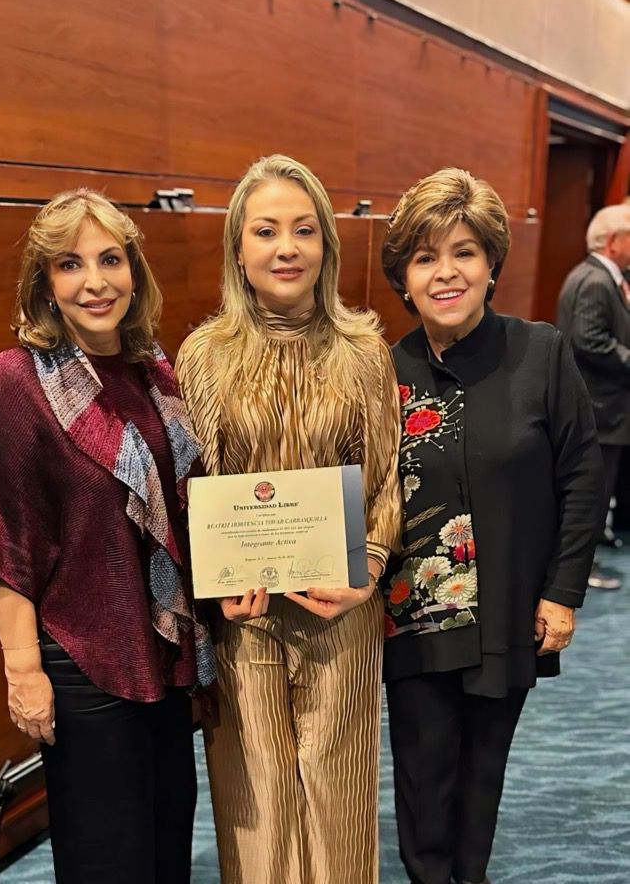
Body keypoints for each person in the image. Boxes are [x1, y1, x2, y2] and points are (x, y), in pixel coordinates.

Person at [0, 189, 215, 884]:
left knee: (166, 843)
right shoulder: (18, 380)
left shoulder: (154, 371)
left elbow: (187, 506)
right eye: (70, 264)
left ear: (134, 270)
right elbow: (6, 538)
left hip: (162, 657)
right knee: (106, 860)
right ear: (44, 283)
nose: (95, 281)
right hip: (83, 664)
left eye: (110, 259)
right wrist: (23, 673)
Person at [176, 155, 402, 884]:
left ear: (326, 247)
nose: (286, 247)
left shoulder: (364, 351)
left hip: (341, 611)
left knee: (337, 792)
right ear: (238, 251)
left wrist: (366, 571)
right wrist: (215, 584)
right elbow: (194, 488)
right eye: (266, 230)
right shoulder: (203, 357)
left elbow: (386, 477)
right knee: (257, 794)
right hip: (243, 616)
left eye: (304, 230)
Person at [380, 168, 604, 884]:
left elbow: (583, 477)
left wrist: (563, 593)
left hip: (509, 609)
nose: (446, 272)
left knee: (482, 777)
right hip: (412, 618)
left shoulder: (541, 353)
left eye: (465, 252)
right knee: (422, 780)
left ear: (491, 265)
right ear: (405, 279)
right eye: (425, 257)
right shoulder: (381, 373)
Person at [556, 204, 630, 590]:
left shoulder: (600, 276)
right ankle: (580, 572)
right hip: (600, 411)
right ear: (615, 241)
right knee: (591, 498)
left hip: (606, 410)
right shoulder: (597, 280)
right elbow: (590, 341)